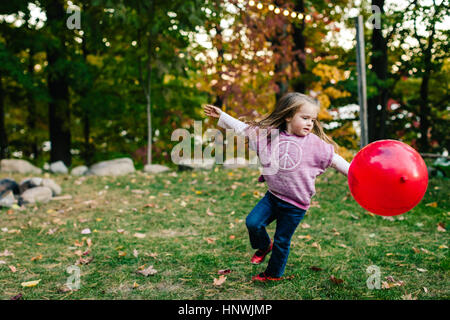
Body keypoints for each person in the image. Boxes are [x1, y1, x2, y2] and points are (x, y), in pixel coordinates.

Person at [203, 92, 351, 282]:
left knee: (282, 241)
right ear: (288, 116)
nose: (309, 124)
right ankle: (264, 245)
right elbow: (244, 129)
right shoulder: (268, 136)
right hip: (273, 197)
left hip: (295, 205)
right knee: (253, 223)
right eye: (304, 118)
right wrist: (223, 116)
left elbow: (336, 161)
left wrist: (356, 174)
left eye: (312, 120)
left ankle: (273, 274)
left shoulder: (315, 144)